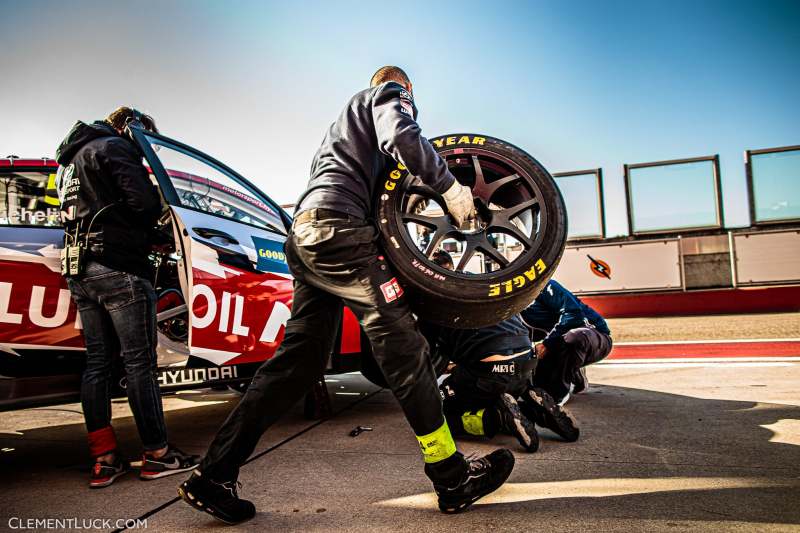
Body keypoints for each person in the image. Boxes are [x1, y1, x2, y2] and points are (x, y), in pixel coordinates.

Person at [178, 66, 515, 524]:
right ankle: (452, 478)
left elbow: (390, 201)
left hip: (306, 235)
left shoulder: (340, 137)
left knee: (298, 363)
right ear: (404, 90)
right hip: (341, 236)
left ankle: (213, 475)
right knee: (405, 349)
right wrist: (452, 191)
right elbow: (403, 133)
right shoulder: (386, 96)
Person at [55, 107, 200, 488]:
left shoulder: (69, 161)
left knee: (98, 365)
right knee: (139, 364)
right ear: (132, 128)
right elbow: (145, 205)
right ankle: (157, 454)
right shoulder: (115, 147)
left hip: (80, 270)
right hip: (119, 266)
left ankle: (104, 459)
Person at [420, 251, 539, 453]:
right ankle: (532, 407)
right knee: (482, 383)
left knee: (435, 415)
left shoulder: (432, 300)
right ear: (452, 265)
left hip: (490, 373)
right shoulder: (481, 281)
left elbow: (427, 363)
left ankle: (497, 419)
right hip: (526, 365)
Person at [521, 279, 613, 405]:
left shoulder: (544, 285)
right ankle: (573, 371)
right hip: (559, 341)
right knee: (537, 388)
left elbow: (574, 315)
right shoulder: (506, 305)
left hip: (592, 336)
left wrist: (547, 344)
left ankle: (559, 394)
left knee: (573, 338)